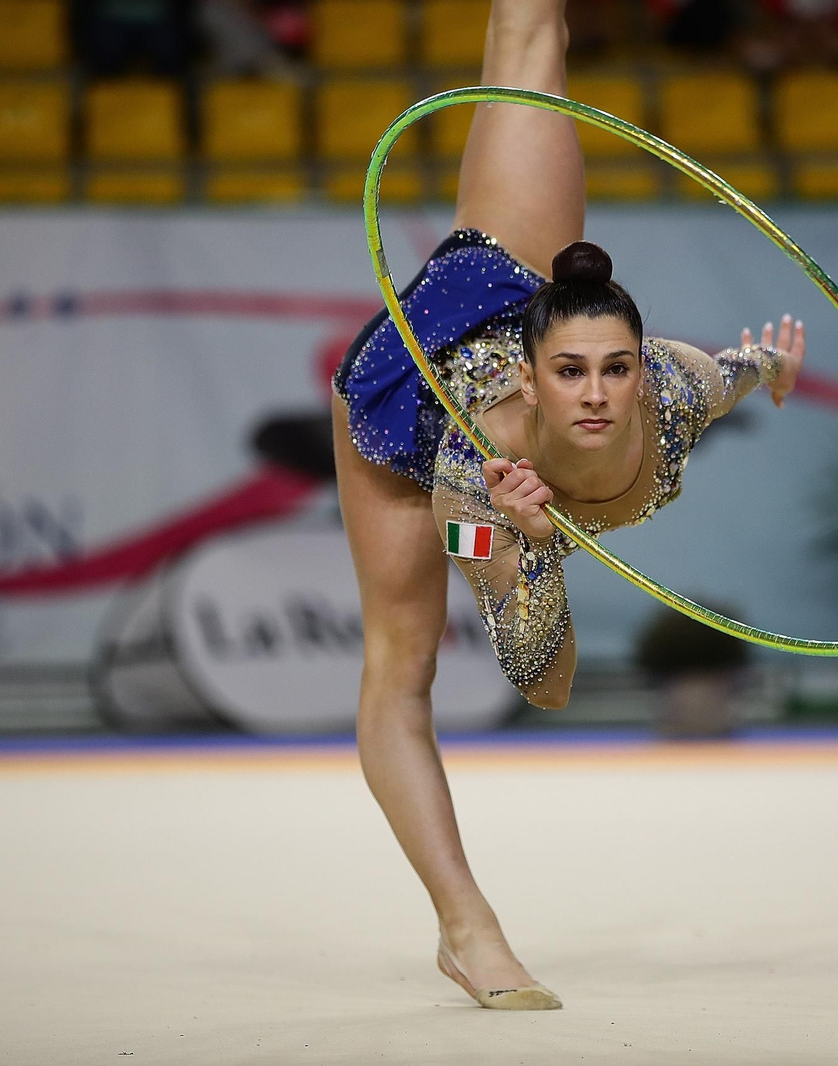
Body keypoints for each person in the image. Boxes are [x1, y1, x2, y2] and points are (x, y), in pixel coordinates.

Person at [329, 0, 805, 1010]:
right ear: (538, 380)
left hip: (502, 276)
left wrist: (766, 364)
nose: (596, 393)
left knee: (532, 32)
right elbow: (540, 678)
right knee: (400, 663)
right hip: (407, 404)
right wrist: (526, 548)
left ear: (639, 369)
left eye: (614, 370)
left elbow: (725, 369)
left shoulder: (671, 390)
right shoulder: (472, 473)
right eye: (573, 372)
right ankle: (468, 929)